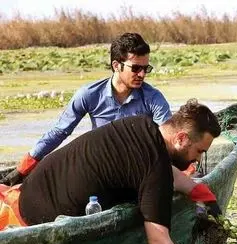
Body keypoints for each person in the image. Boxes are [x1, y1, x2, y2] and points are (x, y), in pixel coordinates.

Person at [0, 99, 219, 244]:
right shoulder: (155, 167)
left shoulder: (140, 125)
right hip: (32, 222)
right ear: (181, 139)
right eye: (199, 151)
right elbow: (158, 239)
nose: (197, 161)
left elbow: (161, 171)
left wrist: (197, 190)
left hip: (25, 193)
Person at [1, 32, 202, 191]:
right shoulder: (88, 95)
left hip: (140, 170)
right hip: (102, 168)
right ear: (116, 65)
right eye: (135, 68)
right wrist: (23, 168)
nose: (141, 74)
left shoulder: (153, 98)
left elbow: (169, 137)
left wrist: (185, 169)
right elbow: (59, 132)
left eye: (145, 69)